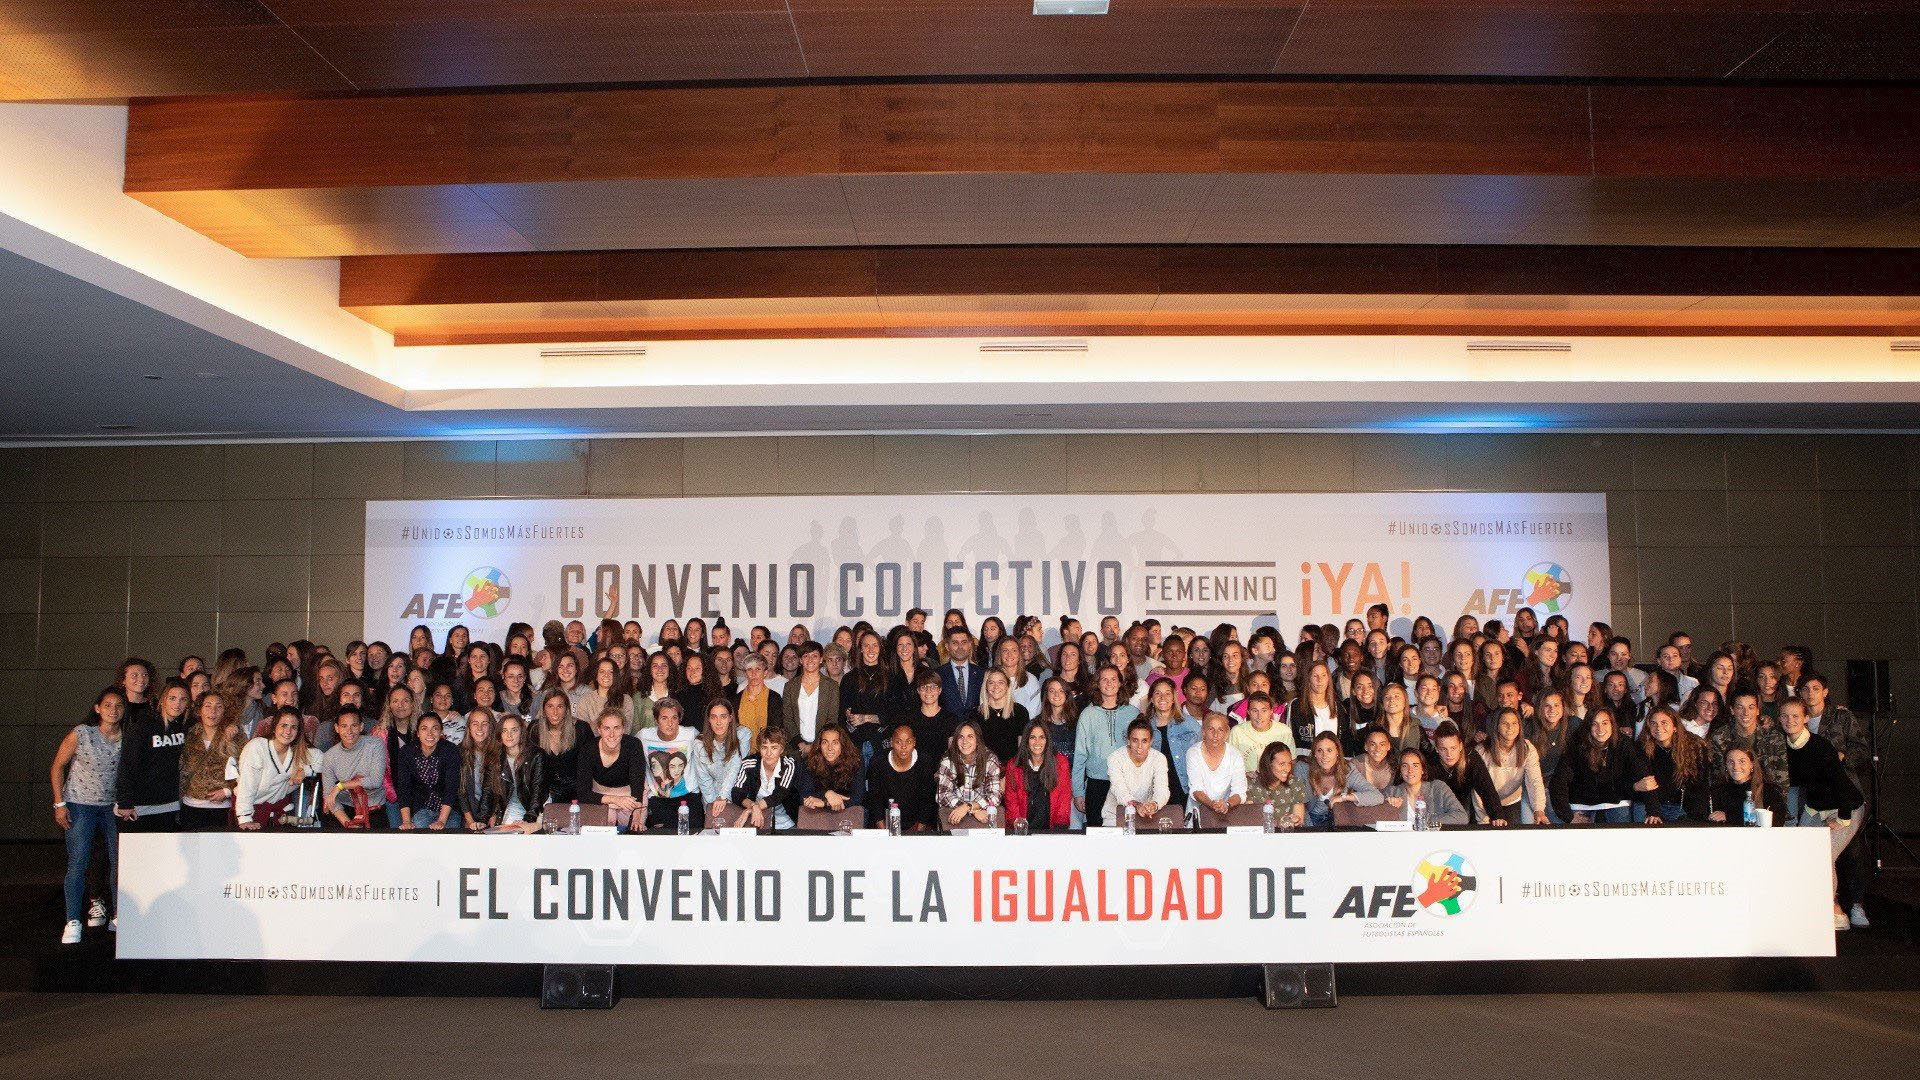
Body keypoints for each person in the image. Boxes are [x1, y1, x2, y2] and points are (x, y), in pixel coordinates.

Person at [1779, 698, 1865, 931]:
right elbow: (1793, 787)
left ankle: (1835, 911)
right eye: (1785, 716)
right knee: (1801, 853)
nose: (1790, 720)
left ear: (1806, 718)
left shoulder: (1821, 747)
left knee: (1825, 855)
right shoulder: (1783, 747)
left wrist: (1842, 818)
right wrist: (1790, 821)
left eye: (1796, 716)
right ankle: (1809, 908)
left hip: (1846, 807)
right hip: (1815, 808)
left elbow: (1840, 784)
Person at [52, 688, 124, 943]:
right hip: (80, 804)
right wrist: (59, 804)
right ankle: (73, 920)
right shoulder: (82, 733)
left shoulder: (127, 737)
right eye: (108, 705)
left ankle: (118, 915)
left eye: (118, 705)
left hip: (112, 807)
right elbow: (58, 766)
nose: (113, 710)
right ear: (97, 708)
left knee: (119, 861)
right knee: (78, 863)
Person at [1549, 709, 1659, 824]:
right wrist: (1568, 816)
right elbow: (1558, 781)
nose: (1600, 729)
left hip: (1616, 802)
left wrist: (1653, 812)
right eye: (1594, 724)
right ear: (1588, 726)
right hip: (1582, 804)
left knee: (1622, 832)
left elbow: (1646, 779)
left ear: (1612, 725)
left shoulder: (1624, 744)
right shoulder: (1577, 745)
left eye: (1605, 723)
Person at [115, 678, 191, 832]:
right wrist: (125, 802)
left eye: (183, 699)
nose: (177, 703)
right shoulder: (143, 727)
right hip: (138, 806)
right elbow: (127, 765)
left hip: (169, 805)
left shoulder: (184, 728)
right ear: (163, 700)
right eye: (172, 698)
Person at [235, 706, 322, 828]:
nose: (288, 731)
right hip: (249, 810)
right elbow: (246, 785)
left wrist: (304, 771)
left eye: (293, 727)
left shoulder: (298, 752)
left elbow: (323, 761)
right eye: (283, 725)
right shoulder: (257, 747)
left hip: (279, 813)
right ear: (274, 727)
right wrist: (245, 818)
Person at [1072, 665, 1137, 823]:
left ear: (1120, 683)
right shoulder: (1087, 715)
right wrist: (1078, 791)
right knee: (1096, 833)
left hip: (1127, 782)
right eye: (1104, 679)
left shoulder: (1133, 713)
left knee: (1127, 831)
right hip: (1096, 784)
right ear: (1097, 684)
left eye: (1113, 679)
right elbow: (1080, 755)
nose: (1109, 683)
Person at [178, 691, 244, 830]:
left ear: (225, 711)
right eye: (207, 706)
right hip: (191, 805)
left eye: (219, 707)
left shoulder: (235, 736)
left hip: (223, 808)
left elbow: (247, 769)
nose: (213, 711)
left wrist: (227, 791)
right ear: (199, 710)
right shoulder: (189, 734)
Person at [576, 709, 648, 830]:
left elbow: (637, 785)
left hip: (631, 797)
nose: (612, 734)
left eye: (616, 728)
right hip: (600, 797)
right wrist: (616, 800)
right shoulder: (588, 750)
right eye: (606, 728)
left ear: (623, 729)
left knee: (635, 829)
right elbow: (583, 793)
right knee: (603, 831)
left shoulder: (633, 745)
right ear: (599, 730)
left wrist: (636, 818)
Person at [638, 698, 702, 830]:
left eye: (674, 718)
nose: (670, 723)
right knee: (665, 838)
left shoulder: (691, 734)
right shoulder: (643, 736)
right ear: (656, 720)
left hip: (689, 796)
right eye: (664, 718)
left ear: (679, 719)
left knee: (693, 836)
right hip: (658, 798)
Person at [1638, 707, 1711, 823]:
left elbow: (1701, 785)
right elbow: (1645, 784)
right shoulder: (1642, 747)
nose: (1658, 728)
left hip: (1683, 807)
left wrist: (1693, 815)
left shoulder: (1694, 747)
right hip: (1651, 805)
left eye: (1664, 723)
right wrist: (1653, 812)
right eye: (1653, 723)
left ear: (1675, 726)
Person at [1709, 690, 1790, 793]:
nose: (1746, 713)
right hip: (1731, 795)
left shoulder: (1774, 738)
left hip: (1766, 796)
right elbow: (1718, 778)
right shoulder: (1719, 737)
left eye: (1751, 707)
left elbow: (1782, 780)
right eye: (1740, 707)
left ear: (1758, 710)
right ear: (1732, 710)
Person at [321, 708, 388, 829]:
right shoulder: (329, 756)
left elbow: (375, 781)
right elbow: (328, 796)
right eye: (344, 726)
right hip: (346, 809)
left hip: (374, 808)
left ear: (361, 727)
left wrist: (340, 786)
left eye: (354, 725)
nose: (349, 731)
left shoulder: (376, 745)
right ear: (337, 728)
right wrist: (348, 824)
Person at [1480, 707, 1549, 825]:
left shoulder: (1527, 748)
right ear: (1496, 726)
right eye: (1505, 723)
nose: (1510, 727)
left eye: (1514, 723)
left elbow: (1535, 780)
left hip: (1511, 800)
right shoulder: (1483, 751)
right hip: (1485, 803)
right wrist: (1483, 821)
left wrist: (1539, 810)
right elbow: (1478, 790)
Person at [865, 722, 938, 832]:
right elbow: (875, 800)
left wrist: (918, 833)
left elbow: (927, 800)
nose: (903, 747)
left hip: (916, 824)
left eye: (908, 742)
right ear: (891, 742)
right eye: (898, 742)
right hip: (885, 824)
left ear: (914, 742)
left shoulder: (925, 762)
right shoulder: (878, 762)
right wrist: (884, 832)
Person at [1003, 719, 1072, 832]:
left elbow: (1063, 800)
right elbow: (1012, 804)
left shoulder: (1060, 763)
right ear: (1026, 740)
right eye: (1032, 737)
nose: (1037, 742)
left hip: (1051, 831)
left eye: (1042, 737)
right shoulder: (1014, 765)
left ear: (1047, 740)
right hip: (1022, 832)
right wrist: (1020, 829)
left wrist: (1058, 832)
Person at [1429, 721, 1503, 825]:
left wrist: (1497, 816)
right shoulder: (1430, 762)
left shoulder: (1471, 758)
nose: (1449, 754)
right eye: (1443, 749)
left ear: (1460, 746)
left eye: (1453, 748)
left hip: (1464, 803)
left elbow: (1486, 788)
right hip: (1438, 806)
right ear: (1437, 749)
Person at [395, 713, 461, 830]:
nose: (430, 733)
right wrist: (406, 821)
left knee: (448, 833)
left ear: (441, 732)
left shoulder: (451, 750)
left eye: (435, 728)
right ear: (418, 733)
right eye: (424, 728)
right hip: (421, 808)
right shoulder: (407, 752)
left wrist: (441, 821)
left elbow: (451, 788)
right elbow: (404, 788)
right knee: (419, 829)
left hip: (449, 810)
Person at [935, 719, 1003, 829]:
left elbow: (994, 796)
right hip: (957, 818)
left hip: (983, 819)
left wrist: (968, 807)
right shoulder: (948, 759)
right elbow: (942, 795)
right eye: (961, 737)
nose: (965, 741)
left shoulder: (990, 760)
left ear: (978, 740)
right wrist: (972, 810)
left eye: (970, 736)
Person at [726, 726, 797, 830]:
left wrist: (751, 809)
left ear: (781, 749)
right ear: (759, 749)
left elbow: (779, 794)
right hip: (757, 822)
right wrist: (753, 806)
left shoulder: (788, 764)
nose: (768, 753)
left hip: (786, 823)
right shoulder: (748, 763)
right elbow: (737, 794)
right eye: (764, 747)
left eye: (774, 748)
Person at [1103, 718, 1168, 827]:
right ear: (1128, 740)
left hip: (1146, 816)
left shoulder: (1159, 758)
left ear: (1151, 742)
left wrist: (1154, 804)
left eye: (1144, 741)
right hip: (1115, 816)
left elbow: (1162, 790)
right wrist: (1136, 804)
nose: (1139, 746)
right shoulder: (1115, 758)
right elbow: (1119, 789)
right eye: (1135, 740)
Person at [1383, 748, 1468, 827]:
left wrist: (1425, 822)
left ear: (1422, 770)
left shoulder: (1438, 788)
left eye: (1415, 766)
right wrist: (1387, 807)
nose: (1410, 770)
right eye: (1405, 766)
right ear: (1400, 771)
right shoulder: (1391, 792)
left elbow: (1461, 817)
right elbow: (1379, 823)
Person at [797, 724, 865, 821]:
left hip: (849, 813)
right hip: (818, 815)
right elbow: (804, 796)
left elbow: (857, 797)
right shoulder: (810, 761)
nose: (830, 748)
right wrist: (827, 793)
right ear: (819, 745)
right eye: (825, 742)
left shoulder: (856, 760)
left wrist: (825, 803)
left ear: (843, 745)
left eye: (835, 743)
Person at [535, 688, 591, 805]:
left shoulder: (581, 729)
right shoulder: (535, 730)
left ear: (566, 709)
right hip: (546, 793)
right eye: (550, 706)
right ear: (544, 710)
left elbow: (590, 765)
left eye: (560, 706)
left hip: (577, 792)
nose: (555, 712)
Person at [1706, 745, 1788, 825]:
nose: (1736, 767)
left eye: (1742, 761)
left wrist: (1729, 817)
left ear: (1752, 764)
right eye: (1731, 762)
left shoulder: (1769, 790)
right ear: (1726, 765)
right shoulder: (1718, 790)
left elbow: (1777, 821)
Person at [780, 641, 837, 752]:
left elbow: (832, 719)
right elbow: (787, 718)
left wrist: (815, 746)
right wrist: (800, 743)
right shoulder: (790, 686)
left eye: (814, 656)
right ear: (801, 660)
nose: (810, 660)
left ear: (821, 659)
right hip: (796, 747)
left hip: (822, 747)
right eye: (806, 656)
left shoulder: (832, 686)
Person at [456, 710, 502, 831]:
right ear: (469, 727)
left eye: (484, 723)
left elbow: (501, 790)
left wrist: (495, 814)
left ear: (491, 727)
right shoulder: (460, 751)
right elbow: (461, 790)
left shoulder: (500, 751)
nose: (480, 728)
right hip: (469, 808)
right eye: (475, 724)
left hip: (495, 809)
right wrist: (470, 821)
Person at [1228, 692, 1294, 776]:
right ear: (1248, 712)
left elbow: (1292, 761)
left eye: (1264, 710)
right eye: (1255, 711)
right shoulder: (1237, 732)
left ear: (1271, 711)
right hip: (1247, 780)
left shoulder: (1284, 731)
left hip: (1276, 779)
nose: (1259, 716)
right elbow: (1229, 763)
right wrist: (1244, 774)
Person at [1245, 742, 1306, 827]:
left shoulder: (1295, 784)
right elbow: (1250, 821)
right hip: (1260, 834)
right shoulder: (1251, 784)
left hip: (1287, 834)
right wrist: (1277, 823)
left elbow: (1299, 822)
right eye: (1282, 764)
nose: (1287, 769)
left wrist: (1294, 820)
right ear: (1268, 764)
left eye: (1289, 763)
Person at [939, 626, 986, 717]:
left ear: (970, 645)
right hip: (948, 725)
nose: (960, 647)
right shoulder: (938, 674)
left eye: (964, 642)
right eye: (955, 643)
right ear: (947, 646)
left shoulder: (982, 674)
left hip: (975, 724)